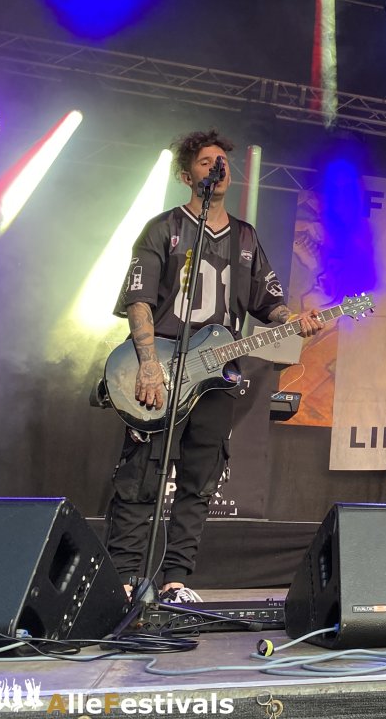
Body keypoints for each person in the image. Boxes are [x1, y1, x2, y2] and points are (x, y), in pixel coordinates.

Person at [104, 129, 322, 603]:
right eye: (206, 162)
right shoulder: (163, 228)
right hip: (162, 369)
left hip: (216, 377)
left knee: (199, 481)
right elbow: (139, 301)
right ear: (187, 176)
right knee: (141, 477)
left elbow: (269, 303)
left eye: (222, 161)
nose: (217, 167)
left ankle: (176, 580)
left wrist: (294, 321)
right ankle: (123, 580)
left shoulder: (245, 237)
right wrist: (148, 366)